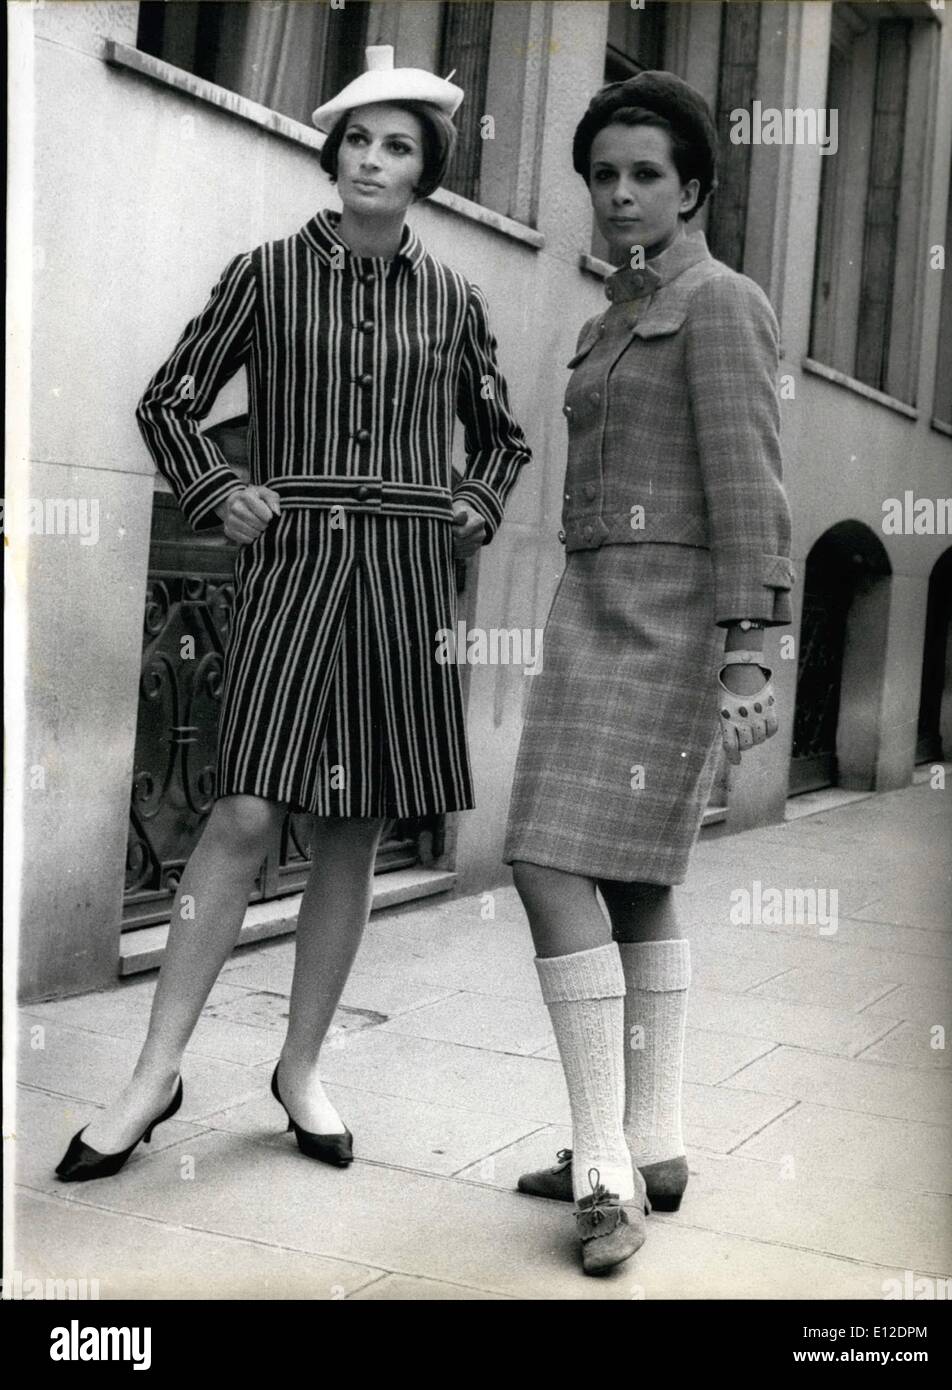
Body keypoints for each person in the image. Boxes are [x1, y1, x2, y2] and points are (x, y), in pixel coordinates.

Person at [56, 46, 531, 1183]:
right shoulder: (266, 273)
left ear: (426, 171)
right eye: (359, 141)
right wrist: (221, 493)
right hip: (295, 566)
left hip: (408, 575)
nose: (373, 160)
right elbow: (169, 400)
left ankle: (301, 1067)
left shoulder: (455, 299)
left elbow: (502, 436)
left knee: (359, 823)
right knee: (246, 813)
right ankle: (152, 1074)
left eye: (398, 146)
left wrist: (475, 503)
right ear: (335, 154)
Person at [502, 71, 795, 1275]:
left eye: (644, 177)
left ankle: (603, 1165)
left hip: (674, 625)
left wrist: (748, 652)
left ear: (695, 191)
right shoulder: (604, 321)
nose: (619, 197)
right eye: (603, 176)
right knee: (629, 878)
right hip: (591, 611)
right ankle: (658, 1140)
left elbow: (752, 484)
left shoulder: (723, 305)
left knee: (545, 857)